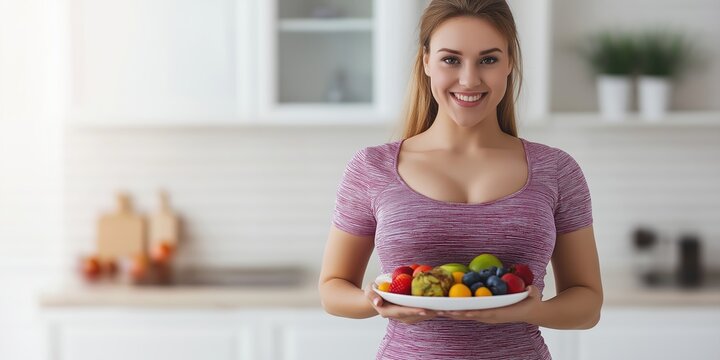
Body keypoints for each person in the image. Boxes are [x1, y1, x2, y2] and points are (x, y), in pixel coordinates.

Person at [318, 0, 603, 358]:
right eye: (451, 59)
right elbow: (332, 289)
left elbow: (588, 303)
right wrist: (373, 301)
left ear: (509, 63)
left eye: (488, 59)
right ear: (426, 62)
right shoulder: (372, 167)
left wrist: (533, 311)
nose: (469, 79)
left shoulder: (556, 170)